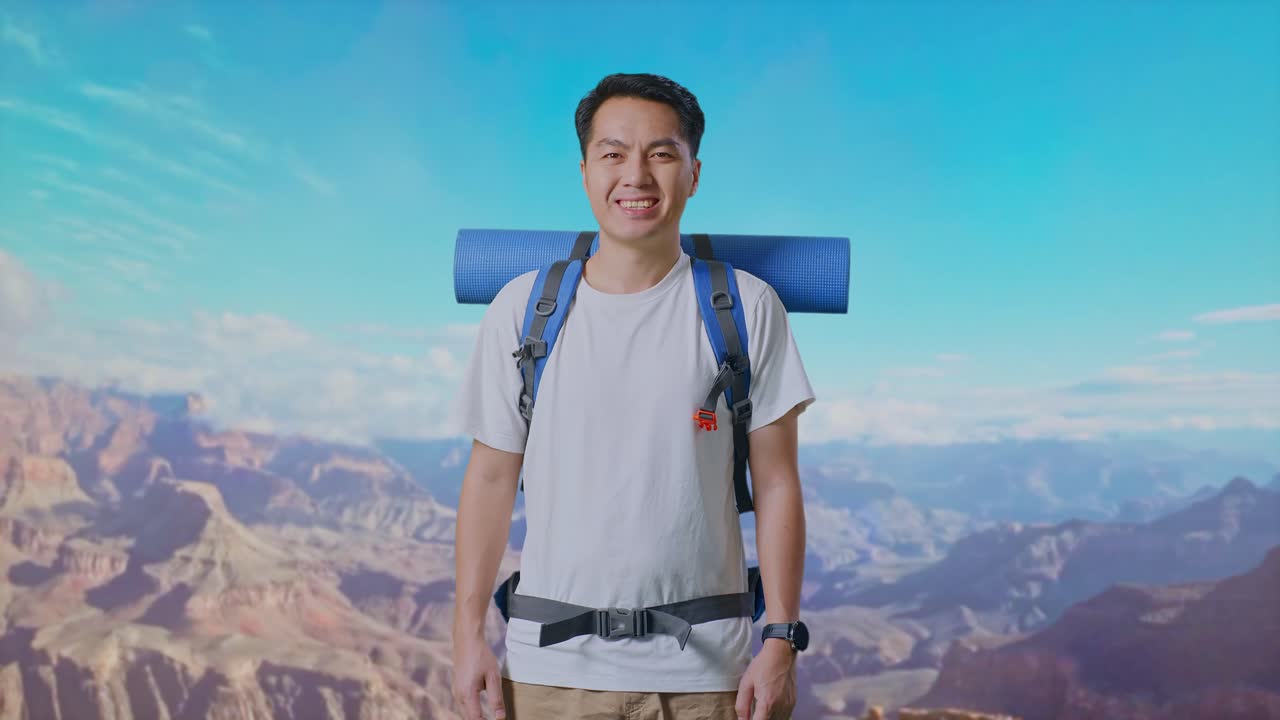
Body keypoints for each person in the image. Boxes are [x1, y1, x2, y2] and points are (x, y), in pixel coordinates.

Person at [450, 72, 816, 720]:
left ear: (694, 173)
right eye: (614, 154)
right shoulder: (523, 312)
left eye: (662, 154)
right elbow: (490, 480)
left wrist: (781, 638)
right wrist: (466, 635)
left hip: (710, 679)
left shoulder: (747, 309)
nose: (637, 176)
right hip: (548, 675)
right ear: (586, 170)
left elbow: (778, 480)